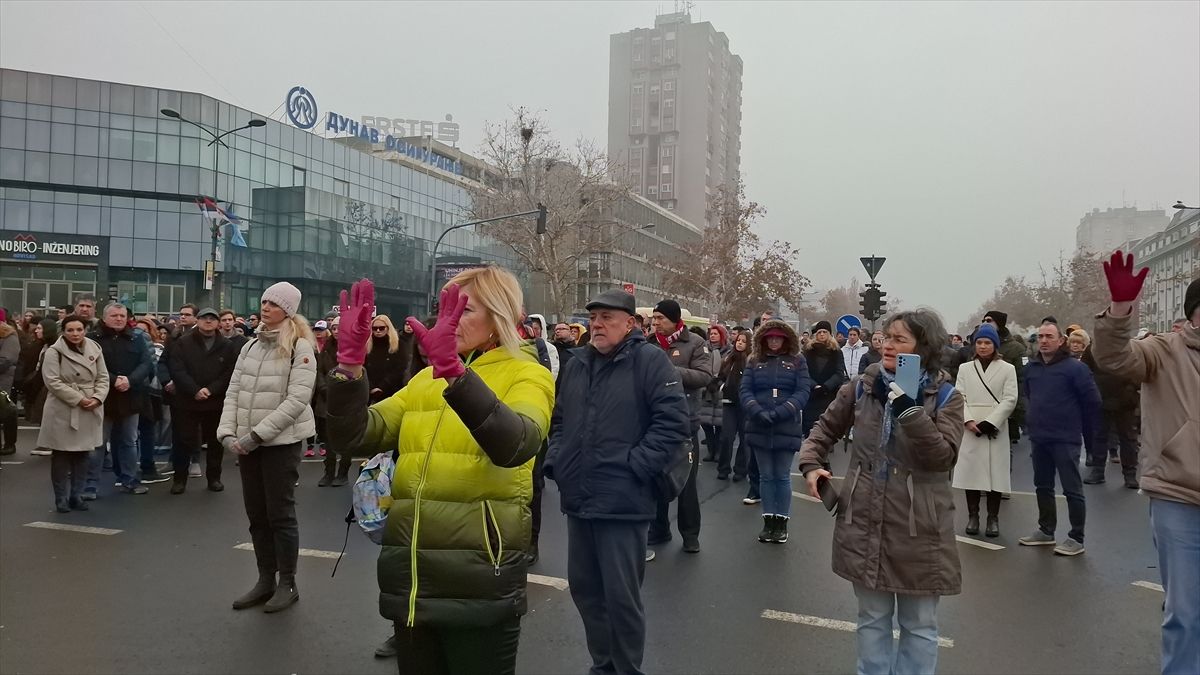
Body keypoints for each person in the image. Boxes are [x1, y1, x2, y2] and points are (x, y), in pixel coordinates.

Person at [326, 270, 554, 673]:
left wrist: (455, 373)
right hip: (412, 581)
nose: (446, 321)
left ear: (499, 315)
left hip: (479, 581)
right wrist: (348, 370)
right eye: (442, 310)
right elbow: (354, 436)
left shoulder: (528, 373)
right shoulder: (423, 381)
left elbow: (516, 445)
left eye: (462, 310)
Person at [799, 309, 965, 675]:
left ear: (924, 347)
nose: (889, 345)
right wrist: (811, 465)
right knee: (872, 617)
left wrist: (910, 411)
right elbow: (822, 430)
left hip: (919, 525)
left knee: (919, 624)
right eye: (887, 337)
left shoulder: (947, 395)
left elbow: (942, 458)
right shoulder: (861, 386)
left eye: (900, 339)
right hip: (864, 517)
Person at [546, 288, 690, 675]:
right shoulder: (577, 363)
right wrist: (557, 462)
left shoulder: (649, 362)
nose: (597, 325)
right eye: (594, 318)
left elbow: (673, 423)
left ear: (630, 324)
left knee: (621, 597)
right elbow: (559, 420)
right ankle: (603, 665)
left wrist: (635, 466)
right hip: (579, 496)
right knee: (586, 591)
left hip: (624, 501)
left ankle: (627, 669)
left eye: (607, 318)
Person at [1094, 255, 1198, 675]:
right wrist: (1119, 312)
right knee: (1187, 611)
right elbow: (1114, 358)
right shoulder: (1163, 350)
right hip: (1180, 495)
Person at [220, 282, 317, 614]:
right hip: (249, 444)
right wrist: (227, 432)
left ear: (287, 311)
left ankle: (287, 583)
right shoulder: (249, 347)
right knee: (257, 515)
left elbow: (296, 401)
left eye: (273, 304)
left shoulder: (300, 347)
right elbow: (234, 392)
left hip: (280, 444)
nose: (266, 307)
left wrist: (256, 435)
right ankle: (265, 579)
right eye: (264, 301)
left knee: (280, 515)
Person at [1017, 321, 1100, 556]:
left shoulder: (1076, 368)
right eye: (1040, 336)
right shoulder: (1032, 368)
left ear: (1061, 340)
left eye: (1049, 336)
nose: (1043, 341)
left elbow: (1092, 402)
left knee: (1072, 489)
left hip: (1065, 438)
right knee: (1042, 486)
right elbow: (1030, 396)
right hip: (1039, 437)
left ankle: (1076, 537)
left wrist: (1081, 428)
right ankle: (1046, 531)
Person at [647, 298, 714, 554]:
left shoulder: (695, 343)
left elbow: (704, 376)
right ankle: (659, 528)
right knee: (656, 478)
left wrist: (670, 371)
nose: (655, 324)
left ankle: (690, 535)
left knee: (686, 482)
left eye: (660, 319)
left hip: (684, 423)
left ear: (675, 320)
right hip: (653, 423)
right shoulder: (649, 344)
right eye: (654, 319)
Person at [740, 319, 812, 543]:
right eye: (769, 337)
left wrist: (782, 411)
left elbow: (802, 391)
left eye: (777, 338)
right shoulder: (754, 361)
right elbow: (745, 390)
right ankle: (768, 521)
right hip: (759, 425)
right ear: (763, 339)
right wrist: (756, 410)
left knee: (781, 476)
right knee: (765, 476)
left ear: (785, 339)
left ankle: (782, 522)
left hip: (786, 425)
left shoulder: (797, 361)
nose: (773, 341)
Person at [950, 323, 1018, 538]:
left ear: (995, 345)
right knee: (972, 473)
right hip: (971, 428)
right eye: (979, 342)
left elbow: (1010, 398)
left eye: (987, 342)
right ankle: (973, 516)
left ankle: (993, 518)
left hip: (995, 428)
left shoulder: (1008, 369)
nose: (982, 346)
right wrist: (968, 421)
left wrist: (991, 422)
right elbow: (959, 396)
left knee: (995, 474)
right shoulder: (965, 369)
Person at [37, 315, 109, 512]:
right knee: (61, 454)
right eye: (70, 330)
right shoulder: (54, 352)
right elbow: (52, 381)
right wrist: (79, 399)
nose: (75, 334)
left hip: (90, 406)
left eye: (79, 329)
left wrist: (97, 398)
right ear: (63, 331)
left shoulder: (95, 348)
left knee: (83, 454)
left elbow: (103, 377)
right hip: (63, 407)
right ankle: (61, 498)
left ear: (85, 330)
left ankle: (76, 495)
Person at [86, 303, 153, 498]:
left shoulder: (137, 337)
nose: (119, 319)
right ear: (104, 318)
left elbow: (146, 363)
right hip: (103, 398)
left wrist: (130, 380)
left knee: (129, 441)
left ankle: (129, 480)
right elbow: (91, 365)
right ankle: (90, 484)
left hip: (131, 397)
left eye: (122, 315)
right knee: (98, 443)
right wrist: (115, 380)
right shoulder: (92, 339)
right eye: (114, 315)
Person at [168, 308, 235, 494]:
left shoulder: (226, 345)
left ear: (218, 323)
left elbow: (229, 372)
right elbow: (177, 369)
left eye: (212, 319)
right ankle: (179, 479)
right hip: (186, 400)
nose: (208, 322)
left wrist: (211, 390)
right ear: (197, 320)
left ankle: (214, 478)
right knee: (183, 441)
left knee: (215, 442)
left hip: (214, 401)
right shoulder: (183, 342)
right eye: (204, 318)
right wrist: (194, 390)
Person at [981, 310, 1028, 445]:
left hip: (1006, 407)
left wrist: (1017, 408)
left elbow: (1021, 379)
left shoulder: (1016, 348)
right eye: (983, 320)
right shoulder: (978, 346)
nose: (985, 323)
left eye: (989, 320)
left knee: (1003, 451)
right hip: (981, 407)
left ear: (999, 323)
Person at [133, 316, 169, 484]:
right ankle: (130, 469)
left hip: (152, 394)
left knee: (148, 430)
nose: (140, 333)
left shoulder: (158, 348)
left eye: (145, 331)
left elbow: (155, 370)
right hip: (131, 393)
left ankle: (147, 465)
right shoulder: (128, 346)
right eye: (137, 330)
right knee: (129, 434)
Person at [803, 321, 848, 439]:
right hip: (812, 396)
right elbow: (803, 372)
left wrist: (826, 386)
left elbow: (839, 373)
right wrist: (814, 386)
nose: (822, 334)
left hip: (829, 396)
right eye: (819, 332)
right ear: (815, 334)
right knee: (810, 433)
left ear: (829, 334)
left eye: (825, 332)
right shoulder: (808, 351)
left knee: (827, 432)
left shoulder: (836, 352)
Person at [717, 331, 750, 481]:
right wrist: (722, 387)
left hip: (745, 405)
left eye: (743, 341)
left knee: (744, 439)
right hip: (729, 403)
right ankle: (723, 468)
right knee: (727, 437)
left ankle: (740, 470)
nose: (740, 343)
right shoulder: (729, 358)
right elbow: (719, 378)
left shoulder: (752, 360)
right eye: (738, 340)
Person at [364, 315, 412, 405]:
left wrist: (383, 386)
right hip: (370, 393)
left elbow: (400, 368)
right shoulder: (367, 346)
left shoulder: (398, 344)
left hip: (392, 392)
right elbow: (363, 368)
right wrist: (371, 387)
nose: (378, 331)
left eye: (381, 328)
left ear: (388, 328)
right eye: (374, 328)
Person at [699, 324, 729, 462]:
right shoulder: (703, 349)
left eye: (716, 334)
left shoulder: (729, 351)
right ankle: (711, 450)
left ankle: (718, 452)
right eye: (711, 333)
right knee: (706, 423)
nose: (712, 336)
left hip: (721, 389)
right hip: (706, 390)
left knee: (720, 424)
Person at [0, 309, 19, 455]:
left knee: (8, 414)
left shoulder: (9, 335)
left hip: (4, 380)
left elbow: (6, 360)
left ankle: (9, 444)